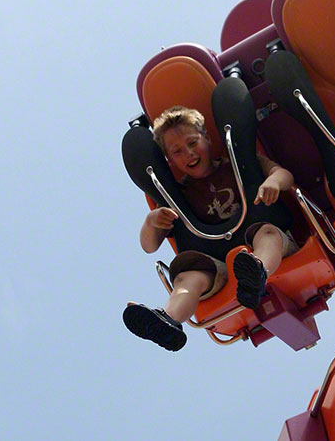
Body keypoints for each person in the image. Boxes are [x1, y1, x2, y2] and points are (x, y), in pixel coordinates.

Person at [123, 106, 298, 351]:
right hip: (216, 265)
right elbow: (149, 246)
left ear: (206, 137)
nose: (189, 154)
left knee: (267, 234)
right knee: (187, 277)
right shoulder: (177, 197)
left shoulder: (238, 164)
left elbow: (283, 174)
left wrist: (273, 182)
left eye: (193, 142)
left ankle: (256, 274)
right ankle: (168, 319)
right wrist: (152, 221)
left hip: (262, 245)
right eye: (177, 152)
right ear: (170, 161)